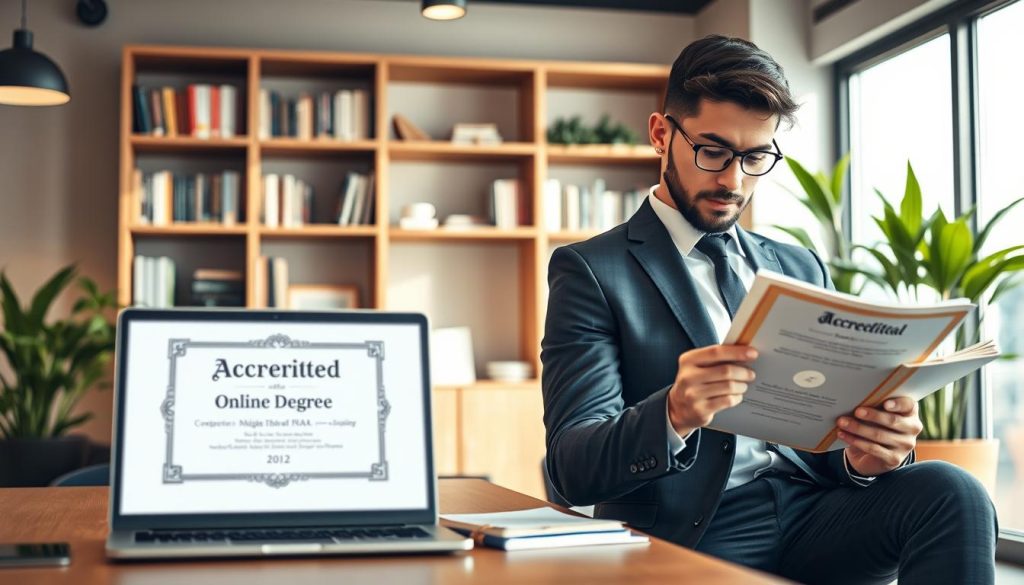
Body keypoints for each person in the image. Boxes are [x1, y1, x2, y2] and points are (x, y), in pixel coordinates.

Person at [541, 34, 997, 584]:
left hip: (812, 515)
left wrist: (868, 454)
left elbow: (824, 437)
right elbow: (570, 467)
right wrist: (674, 413)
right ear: (661, 134)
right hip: (696, 530)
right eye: (712, 152)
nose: (733, 181)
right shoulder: (592, 270)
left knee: (953, 490)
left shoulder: (799, 265)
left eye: (756, 157)